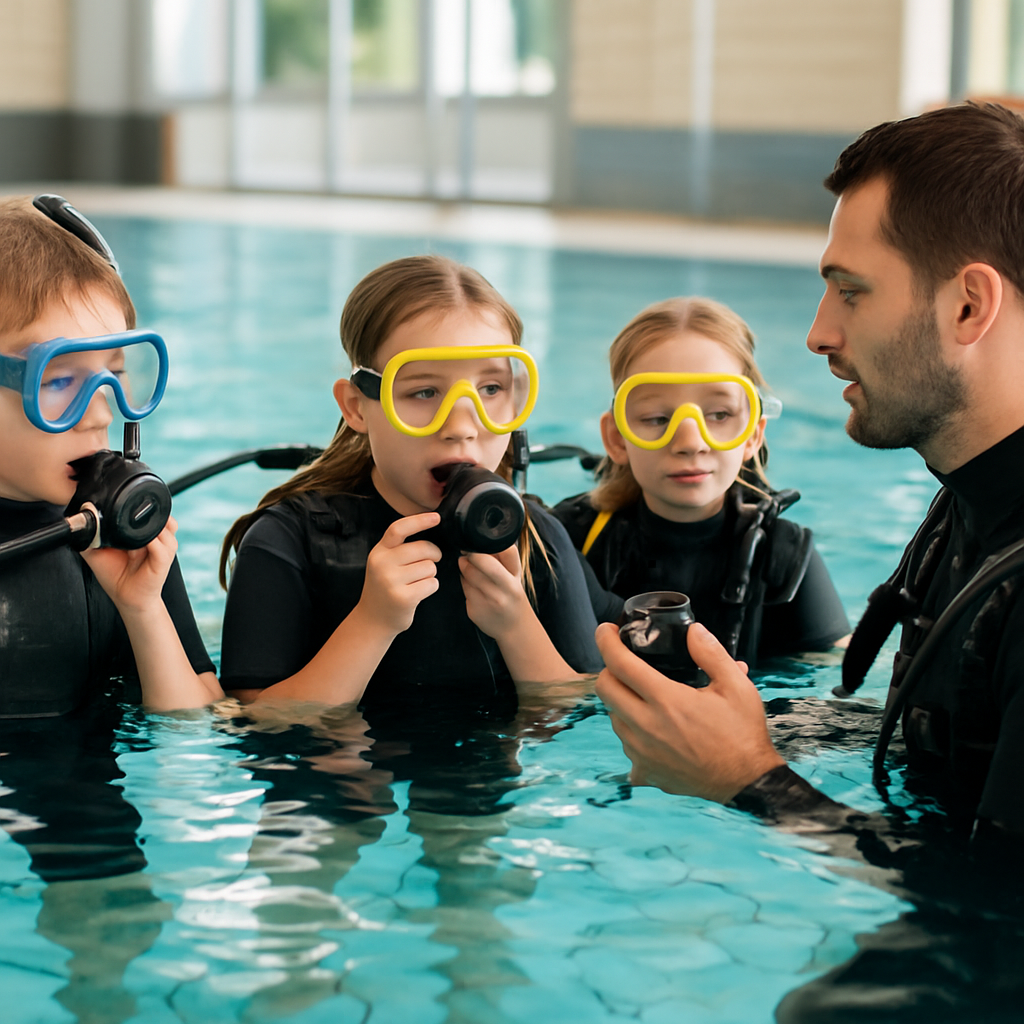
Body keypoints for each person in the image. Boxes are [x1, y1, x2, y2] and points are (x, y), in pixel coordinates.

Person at [594, 102, 1024, 842]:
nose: (819, 332)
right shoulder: (965, 510)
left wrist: (750, 780)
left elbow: (994, 932)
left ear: (967, 306)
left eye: (852, 291)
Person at [218, 254, 602, 709]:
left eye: (491, 389)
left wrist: (516, 622)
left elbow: (573, 719)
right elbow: (256, 722)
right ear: (357, 407)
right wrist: (372, 622)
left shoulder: (539, 540)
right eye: (425, 392)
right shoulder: (289, 541)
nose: (462, 425)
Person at [0, 195, 222, 716]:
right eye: (58, 378)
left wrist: (142, 607)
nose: (100, 413)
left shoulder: (128, 532)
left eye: (116, 374)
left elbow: (197, 722)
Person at [551, 297, 849, 666]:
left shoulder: (783, 559)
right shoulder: (569, 542)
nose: (691, 442)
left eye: (720, 414)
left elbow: (838, 691)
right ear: (616, 438)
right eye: (658, 418)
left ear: (752, 435)